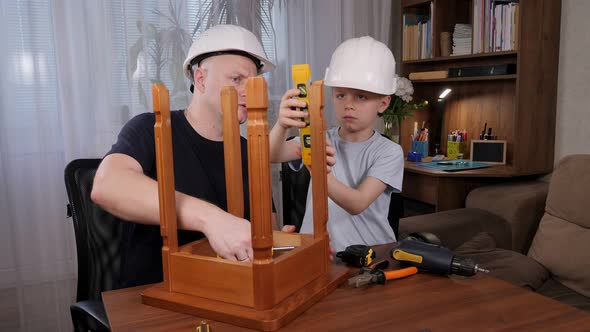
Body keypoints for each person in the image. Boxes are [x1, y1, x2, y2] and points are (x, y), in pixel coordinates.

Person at [91, 24, 293, 288]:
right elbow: (107, 186)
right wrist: (212, 219)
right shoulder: (151, 129)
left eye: (254, 82)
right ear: (200, 79)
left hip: (229, 293)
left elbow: (268, 233)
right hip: (158, 298)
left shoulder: (250, 151)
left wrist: (288, 248)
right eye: (236, 79)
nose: (248, 91)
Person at [269, 36, 404, 252]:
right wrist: (282, 124)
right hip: (316, 252)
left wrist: (318, 170)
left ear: (383, 103)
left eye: (361, 97)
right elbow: (270, 154)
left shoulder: (389, 152)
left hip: (369, 255)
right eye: (341, 95)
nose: (348, 105)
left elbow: (357, 203)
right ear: (332, 96)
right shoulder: (319, 138)